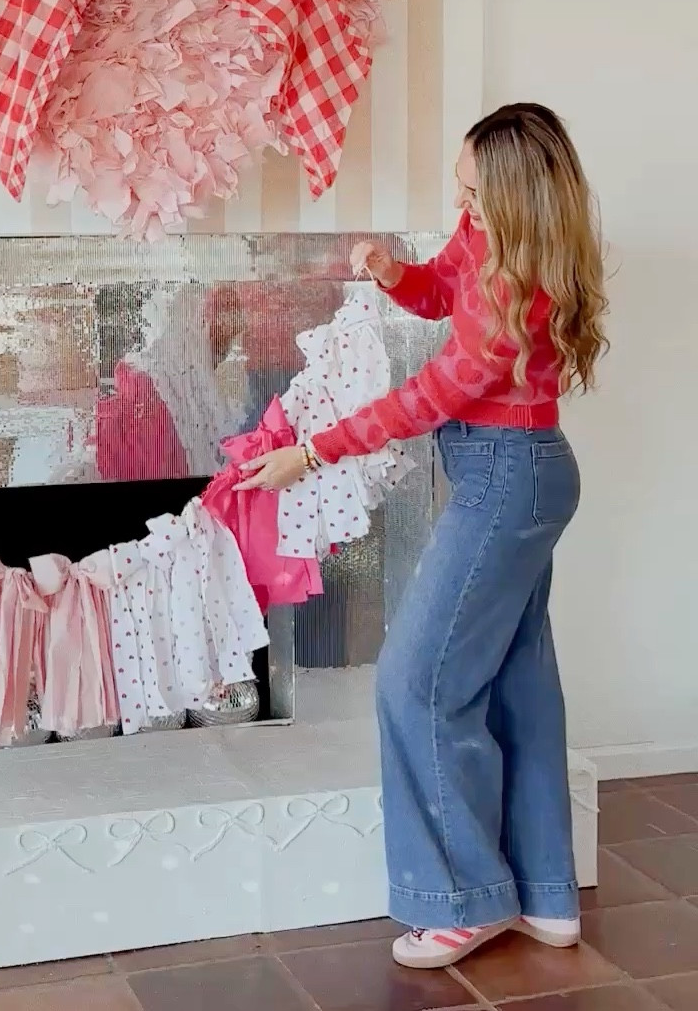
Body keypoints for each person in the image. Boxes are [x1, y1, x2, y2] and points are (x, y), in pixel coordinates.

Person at [235, 104, 608, 969]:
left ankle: (463, 900)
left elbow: (434, 394)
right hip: (522, 470)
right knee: (517, 677)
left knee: (415, 682)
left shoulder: (522, 280)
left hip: (505, 473)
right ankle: (546, 893)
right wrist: (396, 273)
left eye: (475, 194)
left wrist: (311, 450)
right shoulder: (490, 243)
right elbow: (442, 286)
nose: (462, 205)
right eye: (459, 188)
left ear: (516, 200)